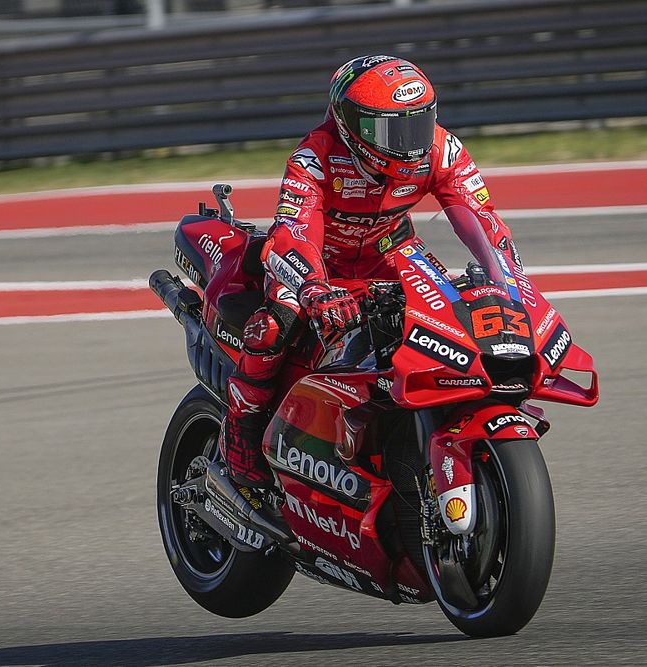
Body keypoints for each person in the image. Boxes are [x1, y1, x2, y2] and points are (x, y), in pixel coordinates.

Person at [220, 54, 523, 490]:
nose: (410, 143)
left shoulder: (442, 148)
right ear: (350, 126)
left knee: (458, 313)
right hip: (321, 268)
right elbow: (293, 230)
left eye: (418, 124)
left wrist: (506, 275)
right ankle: (242, 427)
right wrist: (312, 288)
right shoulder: (314, 157)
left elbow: (480, 215)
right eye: (392, 130)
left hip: (394, 256)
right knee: (277, 321)